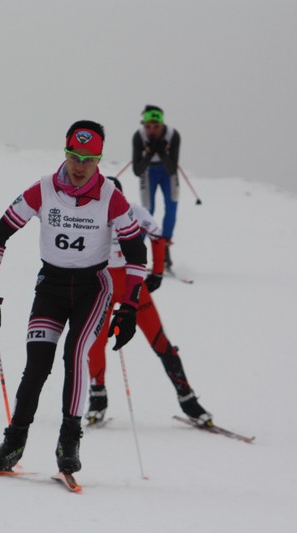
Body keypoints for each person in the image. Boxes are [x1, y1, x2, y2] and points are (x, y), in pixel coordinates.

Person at [0, 120, 148, 475]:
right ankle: (14, 441)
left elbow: (137, 254)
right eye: (73, 155)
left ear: (99, 160)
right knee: (37, 364)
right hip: (51, 285)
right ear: (65, 153)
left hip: (93, 288)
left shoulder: (111, 198)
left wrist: (129, 307)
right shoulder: (43, 189)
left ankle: (69, 437)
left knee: (75, 354)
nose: (79, 166)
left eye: (88, 158)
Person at [87, 176, 212, 427]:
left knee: (160, 342)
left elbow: (158, 236)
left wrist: (156, 272)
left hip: (133, 286)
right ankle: (98, 400)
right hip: (103, 286)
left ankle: (189, 401)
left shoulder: (135, 210)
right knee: (96, 344)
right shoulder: (89, 213)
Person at [132, 105, 181, 272]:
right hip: (148, 172)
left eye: (156, 126)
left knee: (171, 207)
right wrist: (149, 153)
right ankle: (138, 252)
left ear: (162, 124)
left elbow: (172, 169)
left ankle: (165, 249)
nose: (151, 130)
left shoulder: (173, 135)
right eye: (148, 126)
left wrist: (162, 152)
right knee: (147, 211)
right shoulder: (139, 136)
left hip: (167, 173)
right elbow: (137, 170)